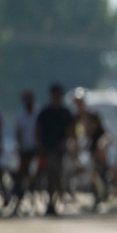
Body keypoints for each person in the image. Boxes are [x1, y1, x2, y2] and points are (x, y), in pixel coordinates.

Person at [35, 84, 75, 216]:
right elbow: (38, 130)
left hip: (60, 150)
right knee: (50, 176)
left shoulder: (65, 112)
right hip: (48, 149)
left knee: (58, 177)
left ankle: (55, 201)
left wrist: (69, 143)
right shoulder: (45, 112)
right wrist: (39, 145)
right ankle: (51, 202)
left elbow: (71, 130)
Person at [74, 90, 109, 210]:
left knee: (97, 171)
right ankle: (97, 195)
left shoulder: (92, 115)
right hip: (88, 146)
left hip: (97, 145)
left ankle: (104, 193)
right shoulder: (76, 117)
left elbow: (93, 131)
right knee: (92, 173)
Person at [12, 90, 40, 214]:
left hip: (36, 150)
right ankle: (19, 201)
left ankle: (34, 201)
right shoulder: (20, 115)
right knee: (21, 176)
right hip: (24, 150)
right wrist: (19, 146)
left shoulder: (38, 113)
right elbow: (18, 132)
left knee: (36, 176)